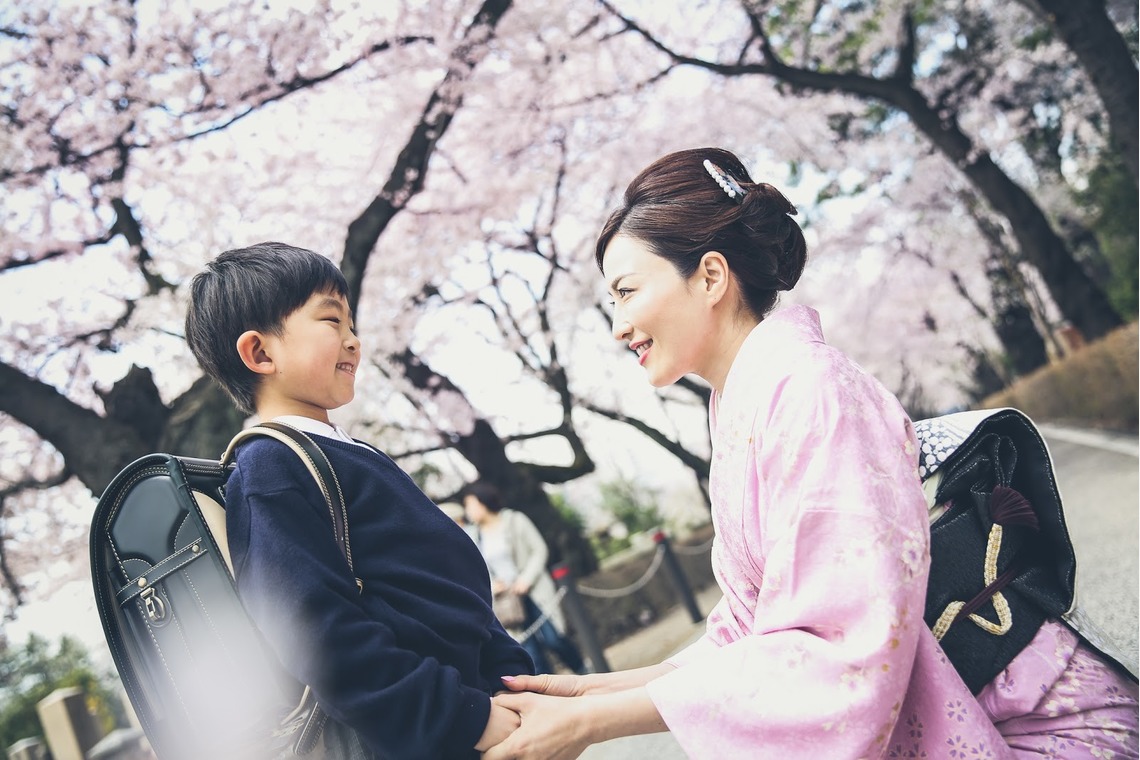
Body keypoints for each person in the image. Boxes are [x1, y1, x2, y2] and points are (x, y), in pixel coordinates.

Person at [485, 148, 1139, 759]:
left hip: (1037, 726)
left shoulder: (814, 393)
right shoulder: (751, 400)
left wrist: (596, 722)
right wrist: (592, 692)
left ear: (711, 275)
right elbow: (748, 632)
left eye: (626, 292)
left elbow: (846, 648)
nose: (618, 325)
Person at [184, 242, 532, 759]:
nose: (354, 342)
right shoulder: (270, 468)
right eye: (332, 322)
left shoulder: (344, 451)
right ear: (261, 353)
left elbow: (442, 587)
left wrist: (515, 679)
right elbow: (316, 632)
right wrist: (462, 717)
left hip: (481, 701)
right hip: (440, 733)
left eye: (353, 325)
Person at [461, 482, 588, 676]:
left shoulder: (514, 520)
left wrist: (526, 579)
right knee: (530, 651)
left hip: (533, 590)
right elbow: (476, 568)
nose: (467, 511)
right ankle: (553, 694)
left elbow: (539, 549)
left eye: (470, 504)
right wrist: (492, 584)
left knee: (554, 639)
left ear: (482, 502)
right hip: (508, 600)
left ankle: (584, 672)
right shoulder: (474, 535)